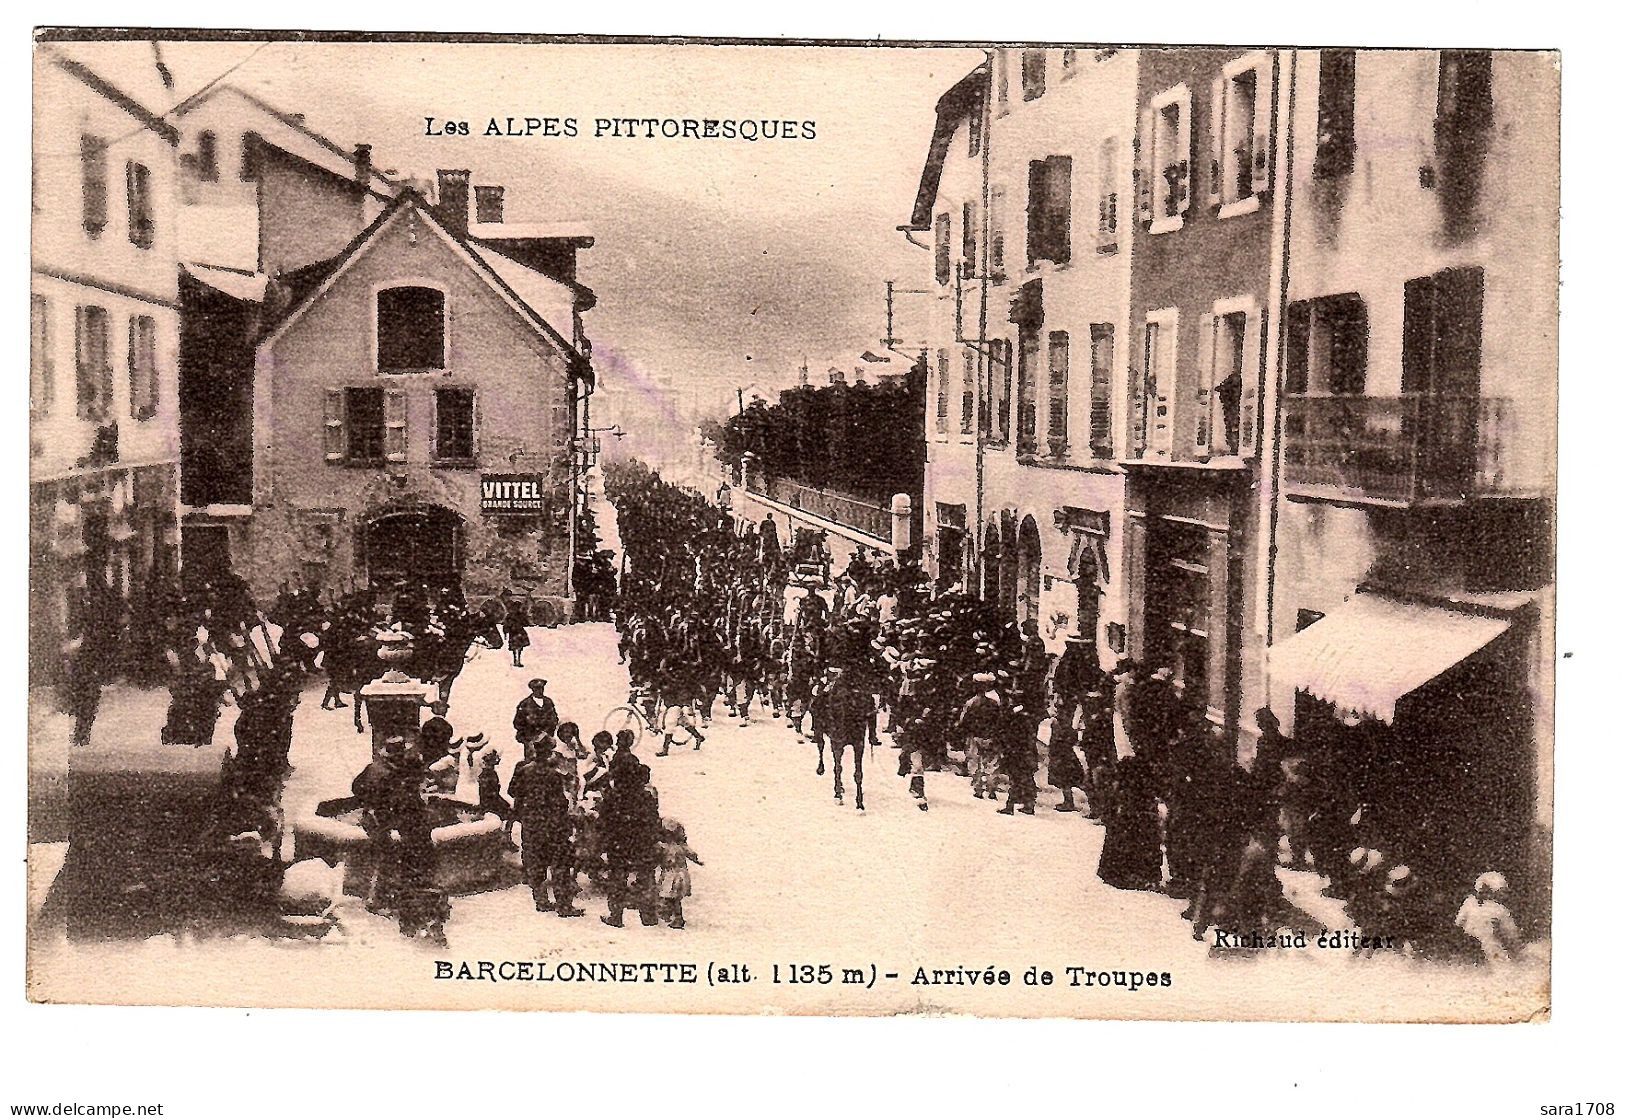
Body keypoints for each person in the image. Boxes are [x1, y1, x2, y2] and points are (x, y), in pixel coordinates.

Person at [508, 739, 582, 917]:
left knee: (536, 863)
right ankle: (564, 905)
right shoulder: (553, 776)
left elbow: (512, 791)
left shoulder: (524, 770)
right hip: (551, 825)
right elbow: (560, 803)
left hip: (531, 823)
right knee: (559, 865)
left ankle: (541, 900)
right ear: (549, 752)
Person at [600, 761, 662, 928]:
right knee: (645, 878)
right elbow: (654, 821)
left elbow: (604, 822)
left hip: (618, 844)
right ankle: (648, 915)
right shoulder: (646, 796)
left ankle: (616, 915)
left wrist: (606, 842)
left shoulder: (612, 797)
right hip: (641, 844)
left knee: (617, 879)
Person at [1454, 871, 1523, 966]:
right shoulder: (1497, 909)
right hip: (1483, 947)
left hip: (1477, 947)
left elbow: (1458, 923)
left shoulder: (1470, 903)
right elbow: (1512, 936)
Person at [957, 674, 1003, 799]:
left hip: (975, 735)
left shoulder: (971, 703)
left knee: (975, 763)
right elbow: (999, 720)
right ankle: (992, 789)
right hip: (990, 735)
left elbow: (963, 720)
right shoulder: (994, 703)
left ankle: (978, 788)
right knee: (992, 764)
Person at [656, 819, 704, 929]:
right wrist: (698, 861)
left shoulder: (663, 847)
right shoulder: (681, 846)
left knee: (667, 897)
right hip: (681, 874)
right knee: (674, 899)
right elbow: (692, 854)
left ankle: (673, 917)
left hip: (671, 875)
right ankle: (675, 917)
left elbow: (658, 858)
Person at [513, 678, 559, 752]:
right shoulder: (525, 704)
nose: (539, 691)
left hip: (547, 740)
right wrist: (532, 734)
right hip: (531, 741)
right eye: (536, 688)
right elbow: (517, 723)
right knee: (532, 762)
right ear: (532, 689)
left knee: (548, 761)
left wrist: (546, 732)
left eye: (541, 688)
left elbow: (554, 719)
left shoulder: (548, 702)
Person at [505, 596, 532, 668]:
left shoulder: (510, 615)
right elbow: (526, 623)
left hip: (513, 633)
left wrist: (506, 632)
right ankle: (518, 661)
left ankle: (516, 661)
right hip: (519, 632)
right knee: (519, 648)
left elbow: (506, 625)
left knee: (515, 648)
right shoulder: (520, 615)